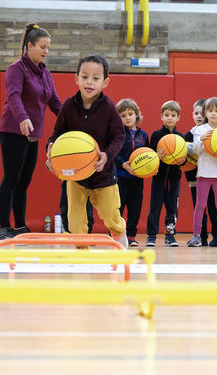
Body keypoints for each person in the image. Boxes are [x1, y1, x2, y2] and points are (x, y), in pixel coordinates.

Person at [45, 54, 127, 247]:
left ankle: (119, 233)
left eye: (96, 78)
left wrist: (107, 155)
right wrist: (51, 151)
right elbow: (57, 135)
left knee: (110, 216)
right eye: (85, 77)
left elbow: (119, 136)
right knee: (74, 220)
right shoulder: (68, 106)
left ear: (105, 82)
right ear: (77, 78)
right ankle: (82, 250)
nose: (89, 82)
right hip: (75, 174)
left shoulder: (108, 108)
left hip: (102, 173)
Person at [0, 23, 61, 241]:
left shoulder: (45, 72)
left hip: (33, 135)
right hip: (13, 131)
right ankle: (5, 228)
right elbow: (13, 96)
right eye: (42, 46)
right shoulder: (16, 69)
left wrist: (70, 117)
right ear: (29, 46)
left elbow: (53, 100)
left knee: (24, 182)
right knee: (11, 179)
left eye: (48, 48)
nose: (46, 51)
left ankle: (21, 226)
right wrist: (23, 117)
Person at [187, 97, 217, 247]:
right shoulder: (201, 130)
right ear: (206, 113)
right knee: (200, 205)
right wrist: (201, 139)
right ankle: (196, 236)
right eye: (210, 111)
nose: (213, 113)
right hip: (203, 174)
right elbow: (195, 150)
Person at [183, 99, 217, 247]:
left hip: (210, 175)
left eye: (201, 113)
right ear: (192, 114)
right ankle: (202, 237)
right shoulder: (188, 135)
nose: (199, 116)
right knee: (199, 208)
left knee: (213, 207)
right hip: (194, 177)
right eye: (196, 113)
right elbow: (184, 157)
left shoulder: (214, 133)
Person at [145, 100, 183, 247]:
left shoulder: (180, 137)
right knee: (155, 207)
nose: (169, 118)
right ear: (161, 116)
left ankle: (170, 235)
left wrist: (182, 160)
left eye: (173, 115)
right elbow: (149, 159)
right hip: (158, 177)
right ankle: (152, 236)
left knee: (173, 208)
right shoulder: (156, 135)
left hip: (174, 179)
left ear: (178, 117)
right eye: (166, 115)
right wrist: (156, 157)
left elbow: (183, 161)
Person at [114, 98, 149, 247]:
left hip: (137, 178)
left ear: (136, 115)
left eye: (130, 114)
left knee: (135, 208)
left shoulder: (144, 135)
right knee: (118, 207)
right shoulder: (118, 134)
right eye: (123, 115)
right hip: (120, 177)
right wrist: (124, 164)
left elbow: (148, 154)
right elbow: (114, 153)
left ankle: (132, 236)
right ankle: (117, 235)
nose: (127, 117)